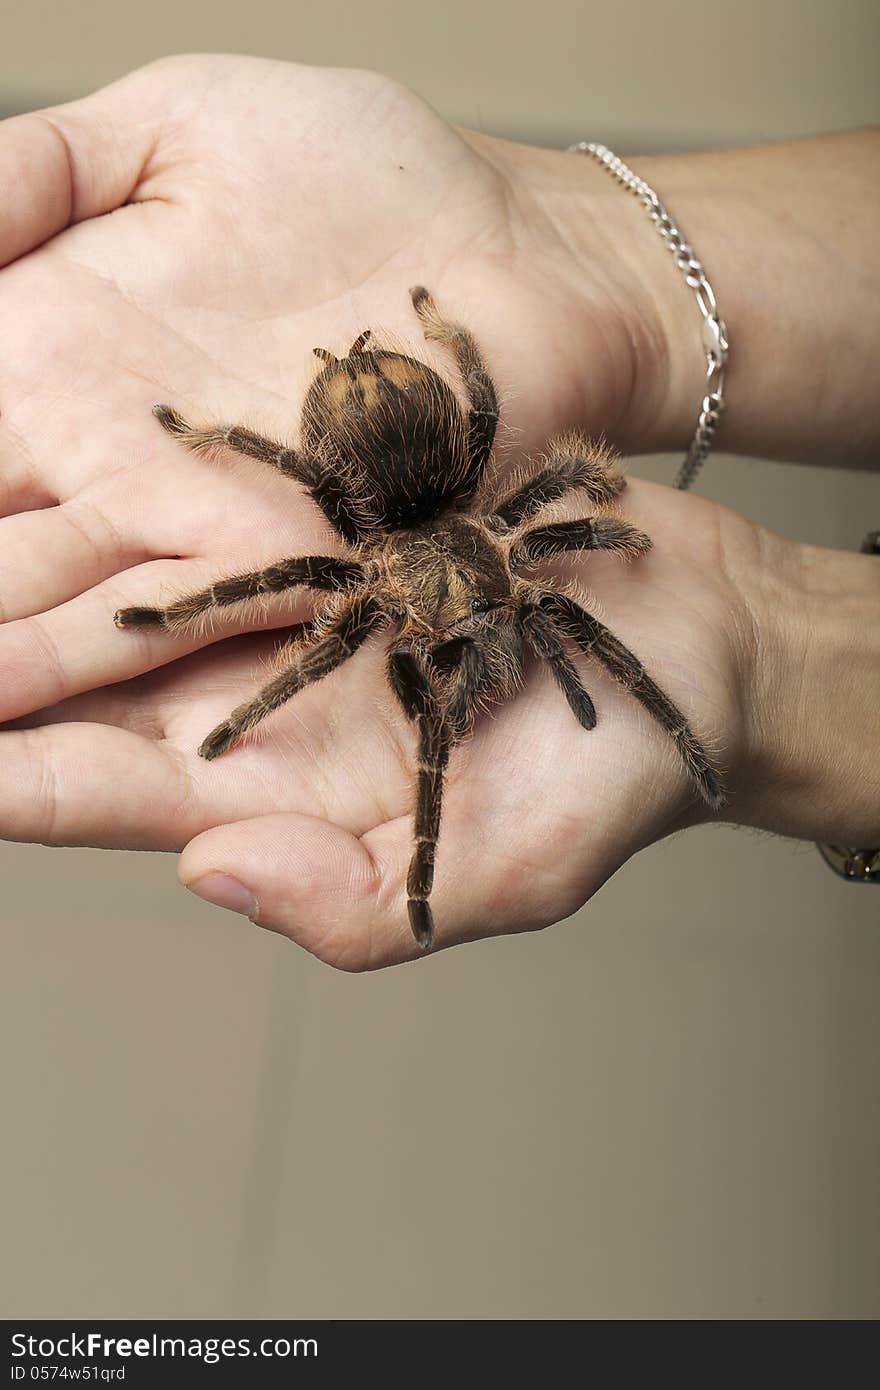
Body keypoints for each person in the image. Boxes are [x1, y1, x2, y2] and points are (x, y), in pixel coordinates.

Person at [0, 55, 876, 969]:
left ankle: (687, 741)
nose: (491, 630)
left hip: (411, 467)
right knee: (304, 571)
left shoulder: (522, 577)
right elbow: (327, 543)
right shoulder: (405, 567)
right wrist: (182, 624)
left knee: (439, 503)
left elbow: (583, 484)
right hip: (391, 454)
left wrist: (657, 564)